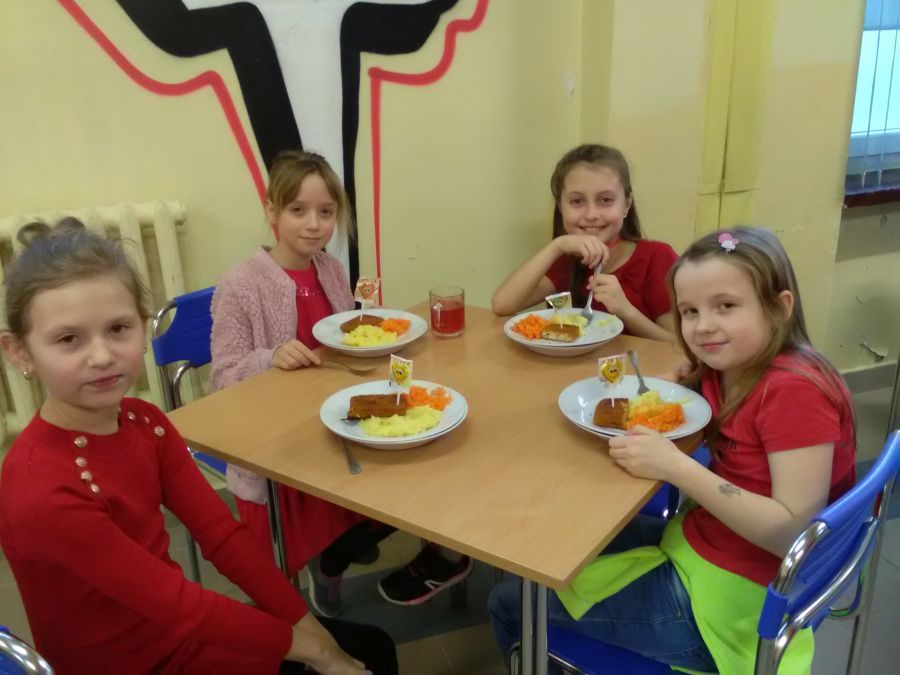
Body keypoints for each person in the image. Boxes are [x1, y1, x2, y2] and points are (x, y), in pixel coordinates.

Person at [0, 219, 397, 675]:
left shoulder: (144, 422)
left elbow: (222, 537)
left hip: (176, 633)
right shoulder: (40, 489)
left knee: (368, 647)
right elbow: (179, 606)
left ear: (142, 327)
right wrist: (316, 653)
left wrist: (310, 629)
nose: (102, 356)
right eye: (69, 339)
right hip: (130, 662)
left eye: (118, 328)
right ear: (20, 352)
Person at [488, 226, 857, 673]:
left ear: (779, 307)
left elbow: (791, 532)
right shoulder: (738, 367)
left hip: (733, 606)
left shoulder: (794, 392)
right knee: (567, 540)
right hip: (711, 546)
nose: (703, 326)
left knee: (510, 601)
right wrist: (687, 379)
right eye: (689, 311)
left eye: (726, 306)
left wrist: (676, 467)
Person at [210, 150, 472, 614]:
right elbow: (222, 377)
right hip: (279, 441)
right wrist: (271, 357)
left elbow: (343, 339)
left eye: (326, 212)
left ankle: (335, 556)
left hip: (337, 415)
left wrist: (374, 335)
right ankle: (326, 567)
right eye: (298, 210)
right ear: (271, 211)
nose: (314, 224)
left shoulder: (329, 268)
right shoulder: (241, 285)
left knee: (414, 472)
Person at [491, 144, 677, 341]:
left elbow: (677, 346)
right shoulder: (567, 261)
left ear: (626, 205)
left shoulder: (657, 257)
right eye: (577, 201)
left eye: (606, 200)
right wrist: (557, 246)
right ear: (561, 207)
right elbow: (502, 305)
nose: (591, 215)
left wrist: (626, 310)